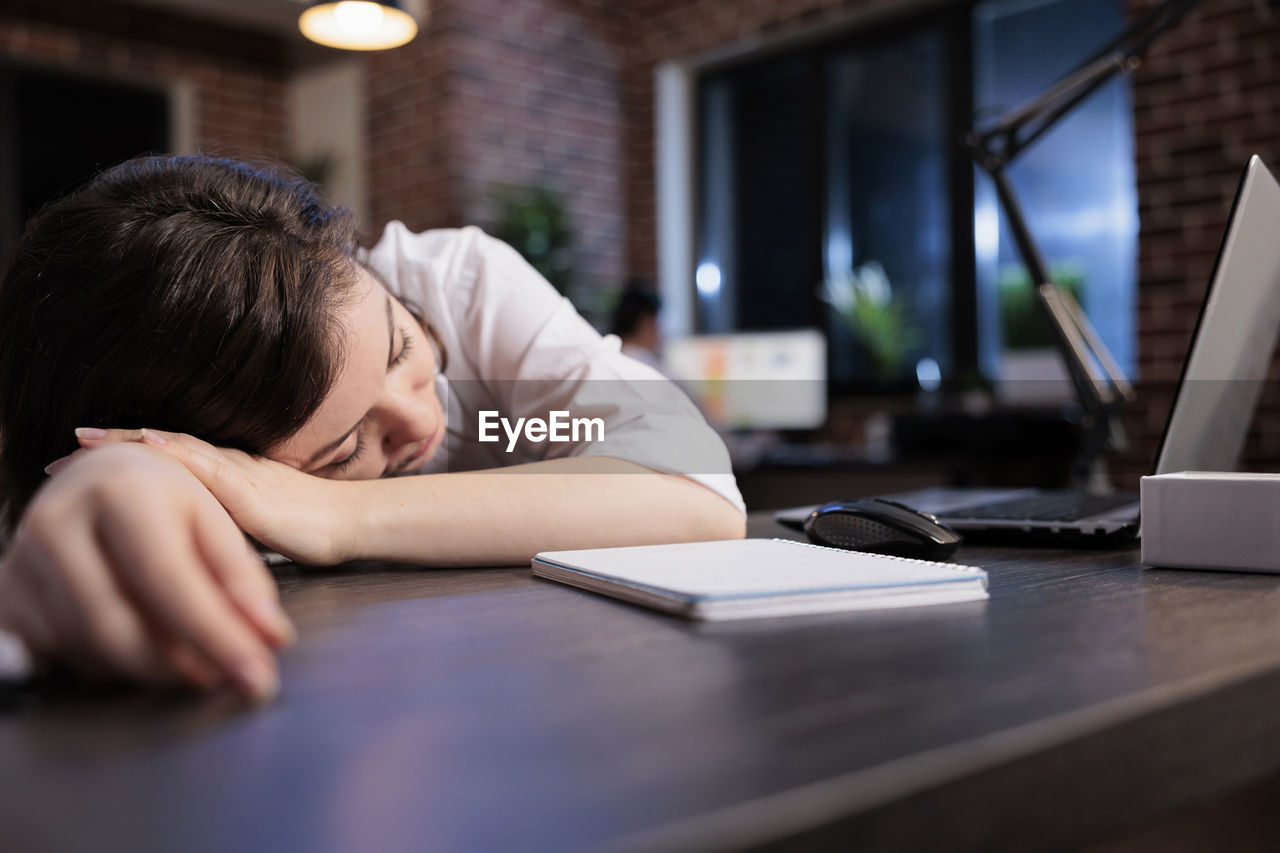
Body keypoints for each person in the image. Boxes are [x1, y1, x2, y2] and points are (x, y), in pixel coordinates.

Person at [0, 155, 745, 702]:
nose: (422, 417)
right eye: (346, 447)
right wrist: (125, 471)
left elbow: (698, 491)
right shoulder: (206, 439)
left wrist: (334, 509)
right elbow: (151, 475)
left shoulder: (460, 284)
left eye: (400, 347)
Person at [608, 281, 664, 373]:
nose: (660, 330)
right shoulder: (645, 363)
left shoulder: (608, 358)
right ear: (646, 324)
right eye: (655, 322)